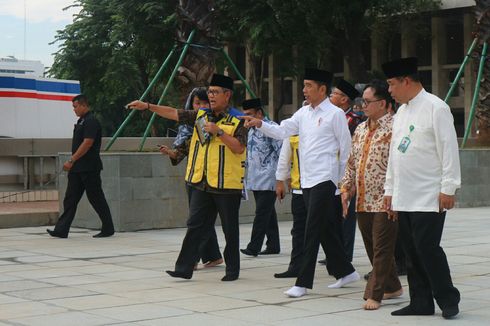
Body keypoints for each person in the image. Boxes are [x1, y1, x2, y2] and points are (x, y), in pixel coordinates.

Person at [242, 68, 359, 297]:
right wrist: (259, 123)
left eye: (308, 86)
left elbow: (346, 151)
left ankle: (302, 282)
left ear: (322, 89)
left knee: (311, 230)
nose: (304, 90)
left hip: (326, 180)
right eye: (304, 85)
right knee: (325, 229)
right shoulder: (303, 113)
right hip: (306, 179)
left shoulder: (335, 114)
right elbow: (282, 131)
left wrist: (345, 183)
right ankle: (346, 271)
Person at [127, 74, 247, 282]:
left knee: (230, 229)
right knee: (195, 226)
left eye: (215, 92)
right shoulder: (200, 116)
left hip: (226, 184)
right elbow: (174, 113)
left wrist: (219, 132)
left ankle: (232, 270)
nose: (211, 96)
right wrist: (148, 106)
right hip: (201, 182)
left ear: (227, 95)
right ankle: (183, 268)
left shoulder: (238, 120)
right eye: (209, 92)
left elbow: (239, 148)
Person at [382, 57, 461, 318]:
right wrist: (389, 191)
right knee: (411, 251)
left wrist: (448, 187)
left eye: (392, 84)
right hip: (404, 194)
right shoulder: (401, 112)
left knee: (427, 248)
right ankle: (421, 301)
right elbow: (395, 154)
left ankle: (448, 298)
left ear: (406, 81)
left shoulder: (436, 108)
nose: (390, 90)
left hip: (429, 194)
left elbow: (449, 149)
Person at [340, 79, 402, 311]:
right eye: (361, 101)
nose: (362, 106)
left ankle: (374, 293)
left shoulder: (397, 126)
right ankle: (393, 286)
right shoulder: (360, 128)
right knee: (371, 245)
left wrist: (395, 192)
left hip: (387, 197)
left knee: (382, 247)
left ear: (383, 103)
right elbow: (352, 162)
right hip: (363, 199)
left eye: (367, 102)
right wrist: (346, 187)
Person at [159, 87, 223, 269]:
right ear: (190, 104)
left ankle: (192, 259)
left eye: (205, 103)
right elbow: (181, 154)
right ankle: (213, 256)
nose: (201, 107)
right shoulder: (188, 128)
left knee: (198, 220)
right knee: (201, 220)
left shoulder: (210, 124)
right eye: (197, 103)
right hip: (193, 177)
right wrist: (170, 152)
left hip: (210, 178)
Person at [47, 94, 114, 238]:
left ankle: (108, 228)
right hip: (78, 168)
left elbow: (87, 143)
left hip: (89, 168)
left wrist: (71, 160)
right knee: (70, 199)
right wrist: (73, 163)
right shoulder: (82, 121)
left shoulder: (91, 121)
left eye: (75, 106)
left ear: (84, 105)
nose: (74, 110)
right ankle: (61, 230)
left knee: (96, 198)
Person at [240, 98, 282, 257]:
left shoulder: (272, 128)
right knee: (268, 212)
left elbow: (281, 152)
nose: (247, 118)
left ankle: (253, 247)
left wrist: (280, 178)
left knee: (261, 213)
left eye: (249, 115)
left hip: (269, 178)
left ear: (259, 113)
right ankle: (273, 245)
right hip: (255, 178)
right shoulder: (250, 129)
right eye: (245, 115)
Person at [326, 78, 362, 264]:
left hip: (347, 174)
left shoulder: (354, 121)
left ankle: (344, 256)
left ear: (344, 100)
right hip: (331, 173)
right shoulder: (329, 116)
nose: (330, 97)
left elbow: (353, 151)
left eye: (334, 94)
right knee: (332, 215)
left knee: (346, 217)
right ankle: (334, 253)